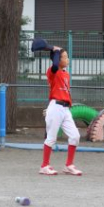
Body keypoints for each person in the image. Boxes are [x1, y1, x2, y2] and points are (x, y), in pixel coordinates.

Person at [40, 46, 82, 176]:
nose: (67, 59)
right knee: (51, 138)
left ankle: (69, 165)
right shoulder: (52, 71)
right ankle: (44, 165)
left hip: (65, 109)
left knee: (75, 136)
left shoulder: (65, 74)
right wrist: (55, 50)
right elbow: (54, 66)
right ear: (58, 59)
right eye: (65, 57)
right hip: (56, 107)